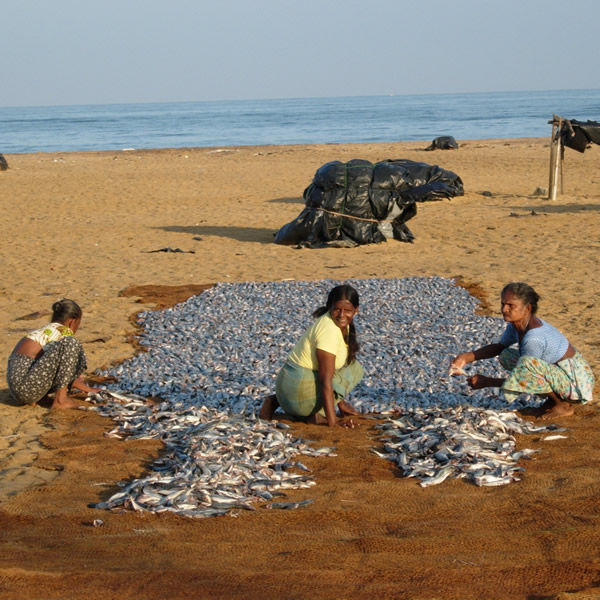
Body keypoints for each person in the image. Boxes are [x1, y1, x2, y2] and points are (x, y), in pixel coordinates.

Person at [450, 282, 595, 419]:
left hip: (576, 384)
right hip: (559, 375)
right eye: (503, 304)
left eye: (511, 305)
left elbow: (525, 376)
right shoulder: (516, 325)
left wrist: (487, 382)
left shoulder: (533, 338)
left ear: (527, 309)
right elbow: (499, 347)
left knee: (526, 364)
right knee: (506, 355)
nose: (504, 309)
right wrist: (466, 357)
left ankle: (562, 404)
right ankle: (551, 401)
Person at [260, 284, 364, 428]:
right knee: (354, 369)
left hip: (284, 390)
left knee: (349, 364)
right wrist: (333, 422)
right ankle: (315, 413)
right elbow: (325, 380)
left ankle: (275, 401)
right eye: (337, 309)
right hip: (297, 398)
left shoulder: (334, 321)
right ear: (330, 307)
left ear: (356, 310)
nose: (341, 315)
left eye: (347, 311)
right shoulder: (329, 330)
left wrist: (341, 402)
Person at [7, 299, 100, 409]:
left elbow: (54, 366)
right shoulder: (63, 332)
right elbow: (66, 366)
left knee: (65, 351)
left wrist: (84, 387)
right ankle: (61, 400)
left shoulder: (47, 330)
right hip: (27, 389)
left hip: (19, 388)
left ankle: (41, 397)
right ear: (73, 321)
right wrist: (87, 388)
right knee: (72, 344)